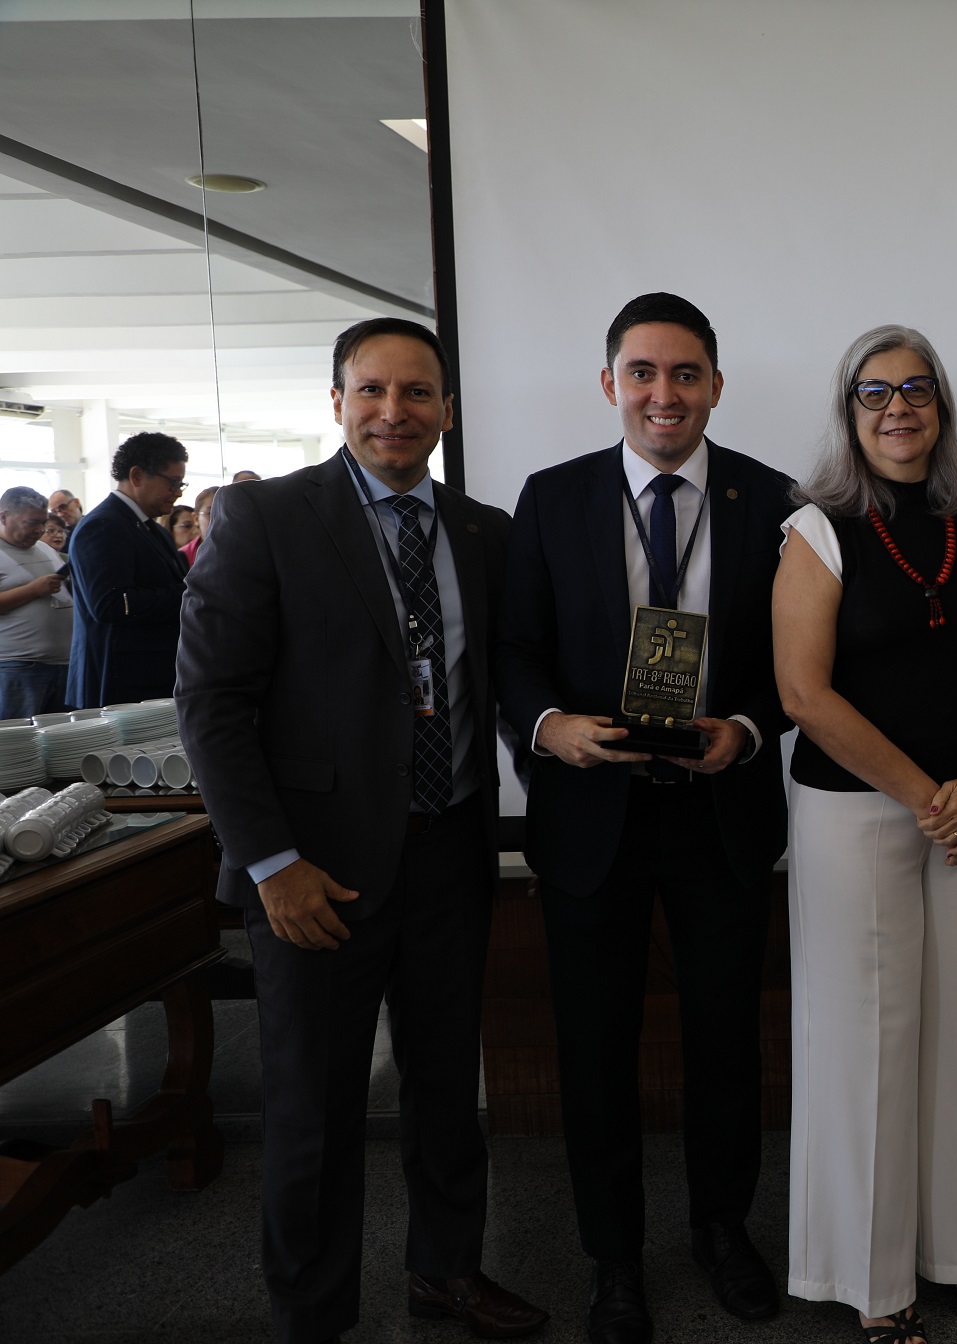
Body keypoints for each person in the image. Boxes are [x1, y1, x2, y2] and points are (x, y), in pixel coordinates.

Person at [176, 317, 547, 1343]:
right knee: (315, 1110)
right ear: (336, 401)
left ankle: (447, 1273)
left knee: (444, 1093)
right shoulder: (264, 520)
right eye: (373, 391)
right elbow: (211, 704)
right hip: (315, 873)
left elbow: (498, 688)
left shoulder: (485, 531)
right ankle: (314, 1314)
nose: (396, 411)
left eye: (418, 393)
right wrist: (271, 865)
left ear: (446, 410)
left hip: (451, 855)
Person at [496, 292, 795, 1343]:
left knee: (727, 1045)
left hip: (721, 811)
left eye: (685, 374)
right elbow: (514, 649)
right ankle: (612, 1261)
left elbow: (797, 666)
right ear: (610, 382)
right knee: (596, 1049)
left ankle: (723, 1232)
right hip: (592, 815)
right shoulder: (552, 497)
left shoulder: (775, 502)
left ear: (716, 384)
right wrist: (548, 728)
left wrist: (748, 732)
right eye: (643, 373)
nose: (663, 394)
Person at [773, 326, 957, 1344]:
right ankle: (873, 1281)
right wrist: (933, 795)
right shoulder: (818, 531)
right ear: (850, 411)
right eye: (875, 392)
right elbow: (804, 693)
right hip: (858, 813)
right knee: (870, 1040)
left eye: (917, 390)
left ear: (943, 404)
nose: (899, 409)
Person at [65, 431, 189, 707]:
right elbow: (110, 604)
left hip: (153, 676)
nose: (178, 492)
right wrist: (189, 595)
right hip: (119, 684)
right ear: (136, 476)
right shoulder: (103, 526)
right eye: (173, 483)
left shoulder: (152, 529)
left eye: (182, 484)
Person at [0, 486, 74, 717]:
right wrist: (32, 590)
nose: (39, 530)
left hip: (64, 665)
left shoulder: (43, 548)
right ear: (3, 517)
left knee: (63, 746)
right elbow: (38, 589)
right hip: (18, 667)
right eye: (31, 522)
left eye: (42, 522)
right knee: (19, 745)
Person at [182, 485, 219, 566]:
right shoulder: (184, 556)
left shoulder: (245, 552)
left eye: (225, 513)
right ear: (196, 518)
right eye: (210, 513)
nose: (219, 518)